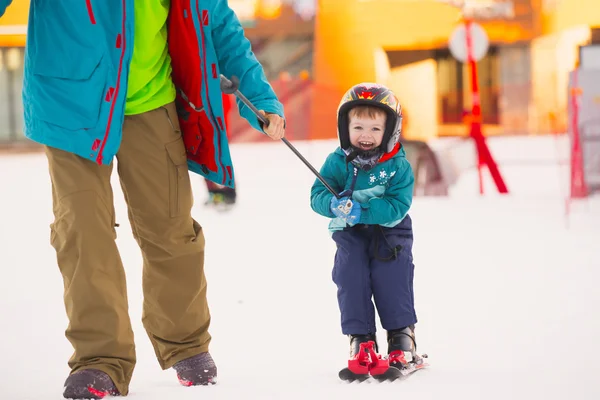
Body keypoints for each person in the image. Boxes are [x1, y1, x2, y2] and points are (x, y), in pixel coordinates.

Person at [0, 0, 285, 398]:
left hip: (152, 102)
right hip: (70, 106)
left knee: (169, 227)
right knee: (83, 230)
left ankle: (185, 342)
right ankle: (100, 359)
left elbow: (218, 24)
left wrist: (259, 97)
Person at [309, 83, 418, 373]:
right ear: (345, 129)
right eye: (357, 128)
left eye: (374, 129)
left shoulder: (397, 166)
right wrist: (332, 205)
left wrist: (363, 210)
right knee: (350, 276)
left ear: (390, 130)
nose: (365, 136)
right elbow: (317, 195)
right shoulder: (337, 161)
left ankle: (401, 338)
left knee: (391, 277)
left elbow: (398, 204)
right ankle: (361, 339)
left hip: (390, 233)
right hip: (350, 234)